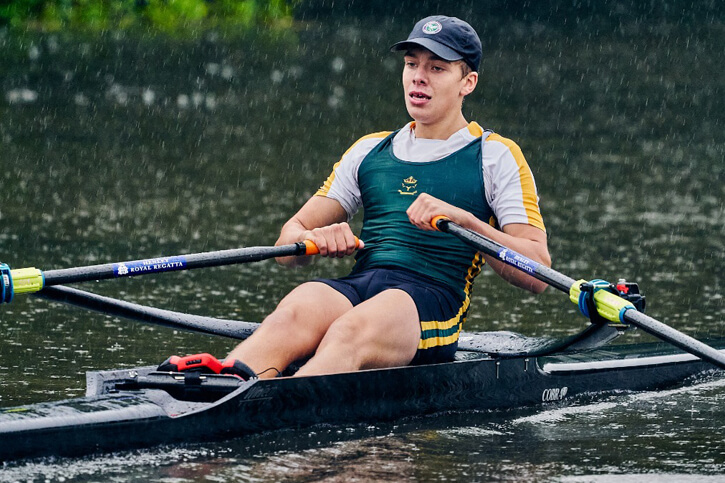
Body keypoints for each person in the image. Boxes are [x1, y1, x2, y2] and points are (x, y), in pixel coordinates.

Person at [159, 15, 551, 380]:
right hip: (362, 283)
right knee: (297, 306)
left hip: (429, 302)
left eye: (437, 68)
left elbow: (536, 272)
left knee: (347, 331)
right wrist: (313, 240)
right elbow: (285, 244)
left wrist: (466, 221)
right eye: (412, 64)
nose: (419, 78)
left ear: (468, 82)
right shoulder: (369, 151)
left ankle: (282, 418)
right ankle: (223, 384)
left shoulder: (495, 155)